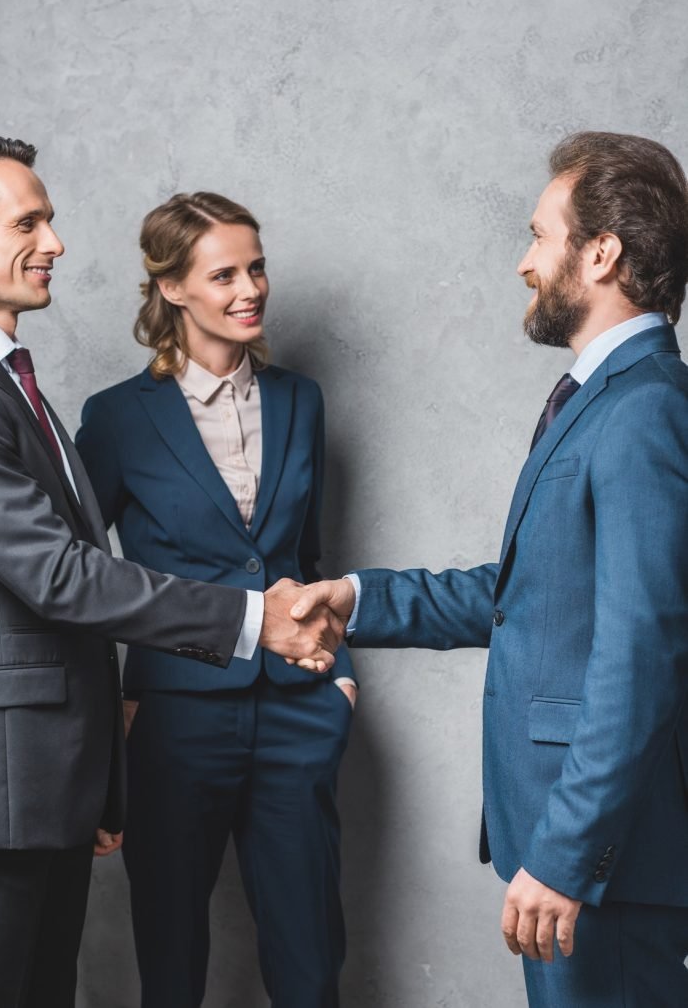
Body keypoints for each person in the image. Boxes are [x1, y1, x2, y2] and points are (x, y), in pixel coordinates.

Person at [0, 136, 342, 1008]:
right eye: (29, 222)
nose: (55, 242)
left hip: (41, 782)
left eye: (49, 220)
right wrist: (252, 621)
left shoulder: (5, 379)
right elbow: (61, 575)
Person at [291, 132, 688, 1006]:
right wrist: (356, 599)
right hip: (570, 852)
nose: (524, 263)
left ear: (602, 252)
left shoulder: (646, 412)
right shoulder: (606, 401)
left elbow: (642, 656)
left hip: (596, 866)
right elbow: (529, 600)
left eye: (540, 236)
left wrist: (566, 854)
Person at [75, 191, 356, 1008]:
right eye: (224, 273)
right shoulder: (119, 419)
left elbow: (310, 556)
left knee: (310, 958)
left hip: (299, 710)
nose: (251, 289)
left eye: (257, 267)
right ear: (171, 288)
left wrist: (339, 679)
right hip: (172, 720)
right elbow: (84, 578)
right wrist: (116, 706)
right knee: (170, 958)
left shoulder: (302, 400)